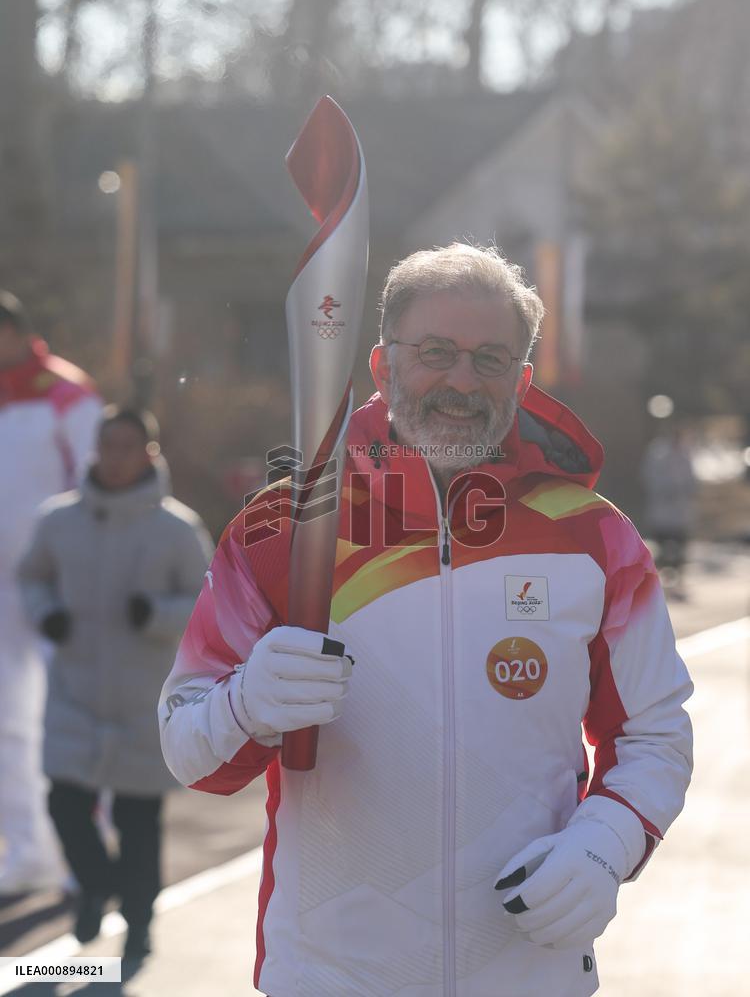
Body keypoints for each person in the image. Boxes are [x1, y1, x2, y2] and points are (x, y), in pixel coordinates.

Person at [159, 243, 693, 997]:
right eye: (435, 352)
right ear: (382, 366)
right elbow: (190, 752)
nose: (462, 382)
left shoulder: (593, 536)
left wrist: (608, 841)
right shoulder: (283, 530)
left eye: (491, 359)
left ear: (522, 380)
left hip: (528, 967)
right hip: (332, 974)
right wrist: (247, 703)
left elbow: (655, 734)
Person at [18, 406, 213, 960]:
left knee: (138, 824)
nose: (116, 457)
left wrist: (156, 614)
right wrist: (47, 613)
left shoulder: (177, 528)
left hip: (144, 701)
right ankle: (95, 885)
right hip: (74, 694)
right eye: (108, 445)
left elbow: (208, 602)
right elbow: (31, 577)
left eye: (129, 446)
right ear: (95, 448)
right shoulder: (59, 519)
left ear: (150, 453)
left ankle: (139, 925)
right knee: (64, 804)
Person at [0, 290, 102, 896]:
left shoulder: (68, 394)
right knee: (6, 720)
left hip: (60, 579)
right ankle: (28, 850)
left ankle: (86, 853)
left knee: (73, 713)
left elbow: (100, 479)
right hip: (1, 587)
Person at [640, 424, 697, 598]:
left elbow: (691, 479)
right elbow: (649, 476)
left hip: (680, 511)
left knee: (680, 548)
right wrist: (665, 489)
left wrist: (686, 490)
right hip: (662, 510)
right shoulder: (658, 453)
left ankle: (678, 580)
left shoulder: (685, 454)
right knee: (661, 548)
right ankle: (657, 582)